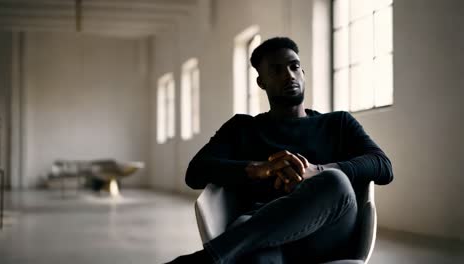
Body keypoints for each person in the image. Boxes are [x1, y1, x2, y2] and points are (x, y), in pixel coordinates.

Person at [165, 37, 393, 264]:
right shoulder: (242, 127)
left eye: (294, 67)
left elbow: (383, 165)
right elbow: (195, 172)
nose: (289, 75)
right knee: (254, 247)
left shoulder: (338, 123)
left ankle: (206, 259)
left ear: (303, 72)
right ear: (261, 82)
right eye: (276, 70)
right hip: (264, 237)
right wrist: (259, 169)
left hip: (325, 236)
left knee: (334, 181)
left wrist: (317, 170)